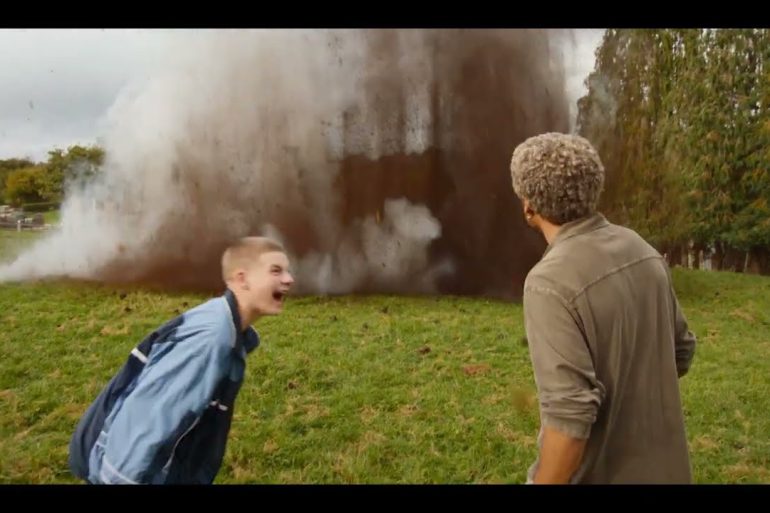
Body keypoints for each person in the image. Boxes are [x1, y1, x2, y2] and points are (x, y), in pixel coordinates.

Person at [509, 132, 697, 484]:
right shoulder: (640, 248)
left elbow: (569, 422)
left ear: (528, 205)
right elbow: (682, 351)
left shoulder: (549, 282)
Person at [69, 236, 294, 484]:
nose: (288, 279)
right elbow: (148, 422)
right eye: (276, 271)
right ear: (242, 279)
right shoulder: (210, 340)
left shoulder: (225, 326)